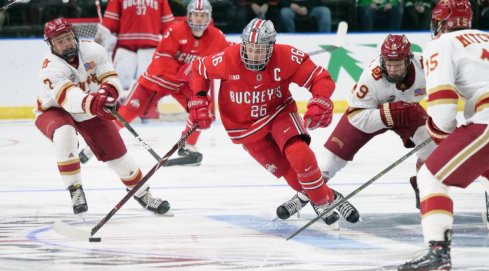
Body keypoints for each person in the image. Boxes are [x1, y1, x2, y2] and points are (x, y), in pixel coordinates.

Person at [188, 18, 360, 228]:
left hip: (278, 112)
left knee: (300, 155)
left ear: (271, 47)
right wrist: (199, 96)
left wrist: (320, 100)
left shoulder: (286, 56)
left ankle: (321, 201)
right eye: (250, 48)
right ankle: (330, 197)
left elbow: (321, 79)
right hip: (243, 127)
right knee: (294, 178)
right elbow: (198, 68)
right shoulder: (227, 59)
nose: (253, 54)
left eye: (260, 50)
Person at [282, 34, 436, 214]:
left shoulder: (427, 67)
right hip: (367, 114)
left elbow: (452, 85)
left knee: (431, 145)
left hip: (408, 113)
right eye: (389, 63)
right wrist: (389, 114)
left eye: (398, 64)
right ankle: (302, 197)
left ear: (409, 60)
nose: (393, 69)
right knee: (328, 165)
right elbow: (356, 116)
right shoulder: (372, 77)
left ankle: (424, 186)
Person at [35, 18, 171, 216]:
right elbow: (69, 98)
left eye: (67, 38)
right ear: (51, 45)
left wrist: (108, 92)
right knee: (65, 134)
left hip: (90, 108)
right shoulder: (50, 68)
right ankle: (75, 189)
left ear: (74, 35)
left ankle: (143, 194)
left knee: (119, 156)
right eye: (59, 41)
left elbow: (109, 76)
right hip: (54, 110)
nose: (66, 44)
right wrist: (95, 102)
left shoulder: (93, 50)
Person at [398, 0, 489, 271]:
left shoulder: (440, 45)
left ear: (440, 22)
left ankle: (438, 251)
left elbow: (443, 108)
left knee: (431, 176)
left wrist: (443, 136)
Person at [112, 0, 232, 165]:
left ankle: (187, 145)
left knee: (203, 108)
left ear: (209, 17)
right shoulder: (175, 30)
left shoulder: (216, 36)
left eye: (202, 15)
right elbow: (161, 59)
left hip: (182, 85)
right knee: (129, 111)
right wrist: (185, 71)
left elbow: (229, 52)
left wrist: (245, 51)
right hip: (157, 80)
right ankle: (102, 142)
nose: (198, 19)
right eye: (195, 15)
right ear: (189, 15)